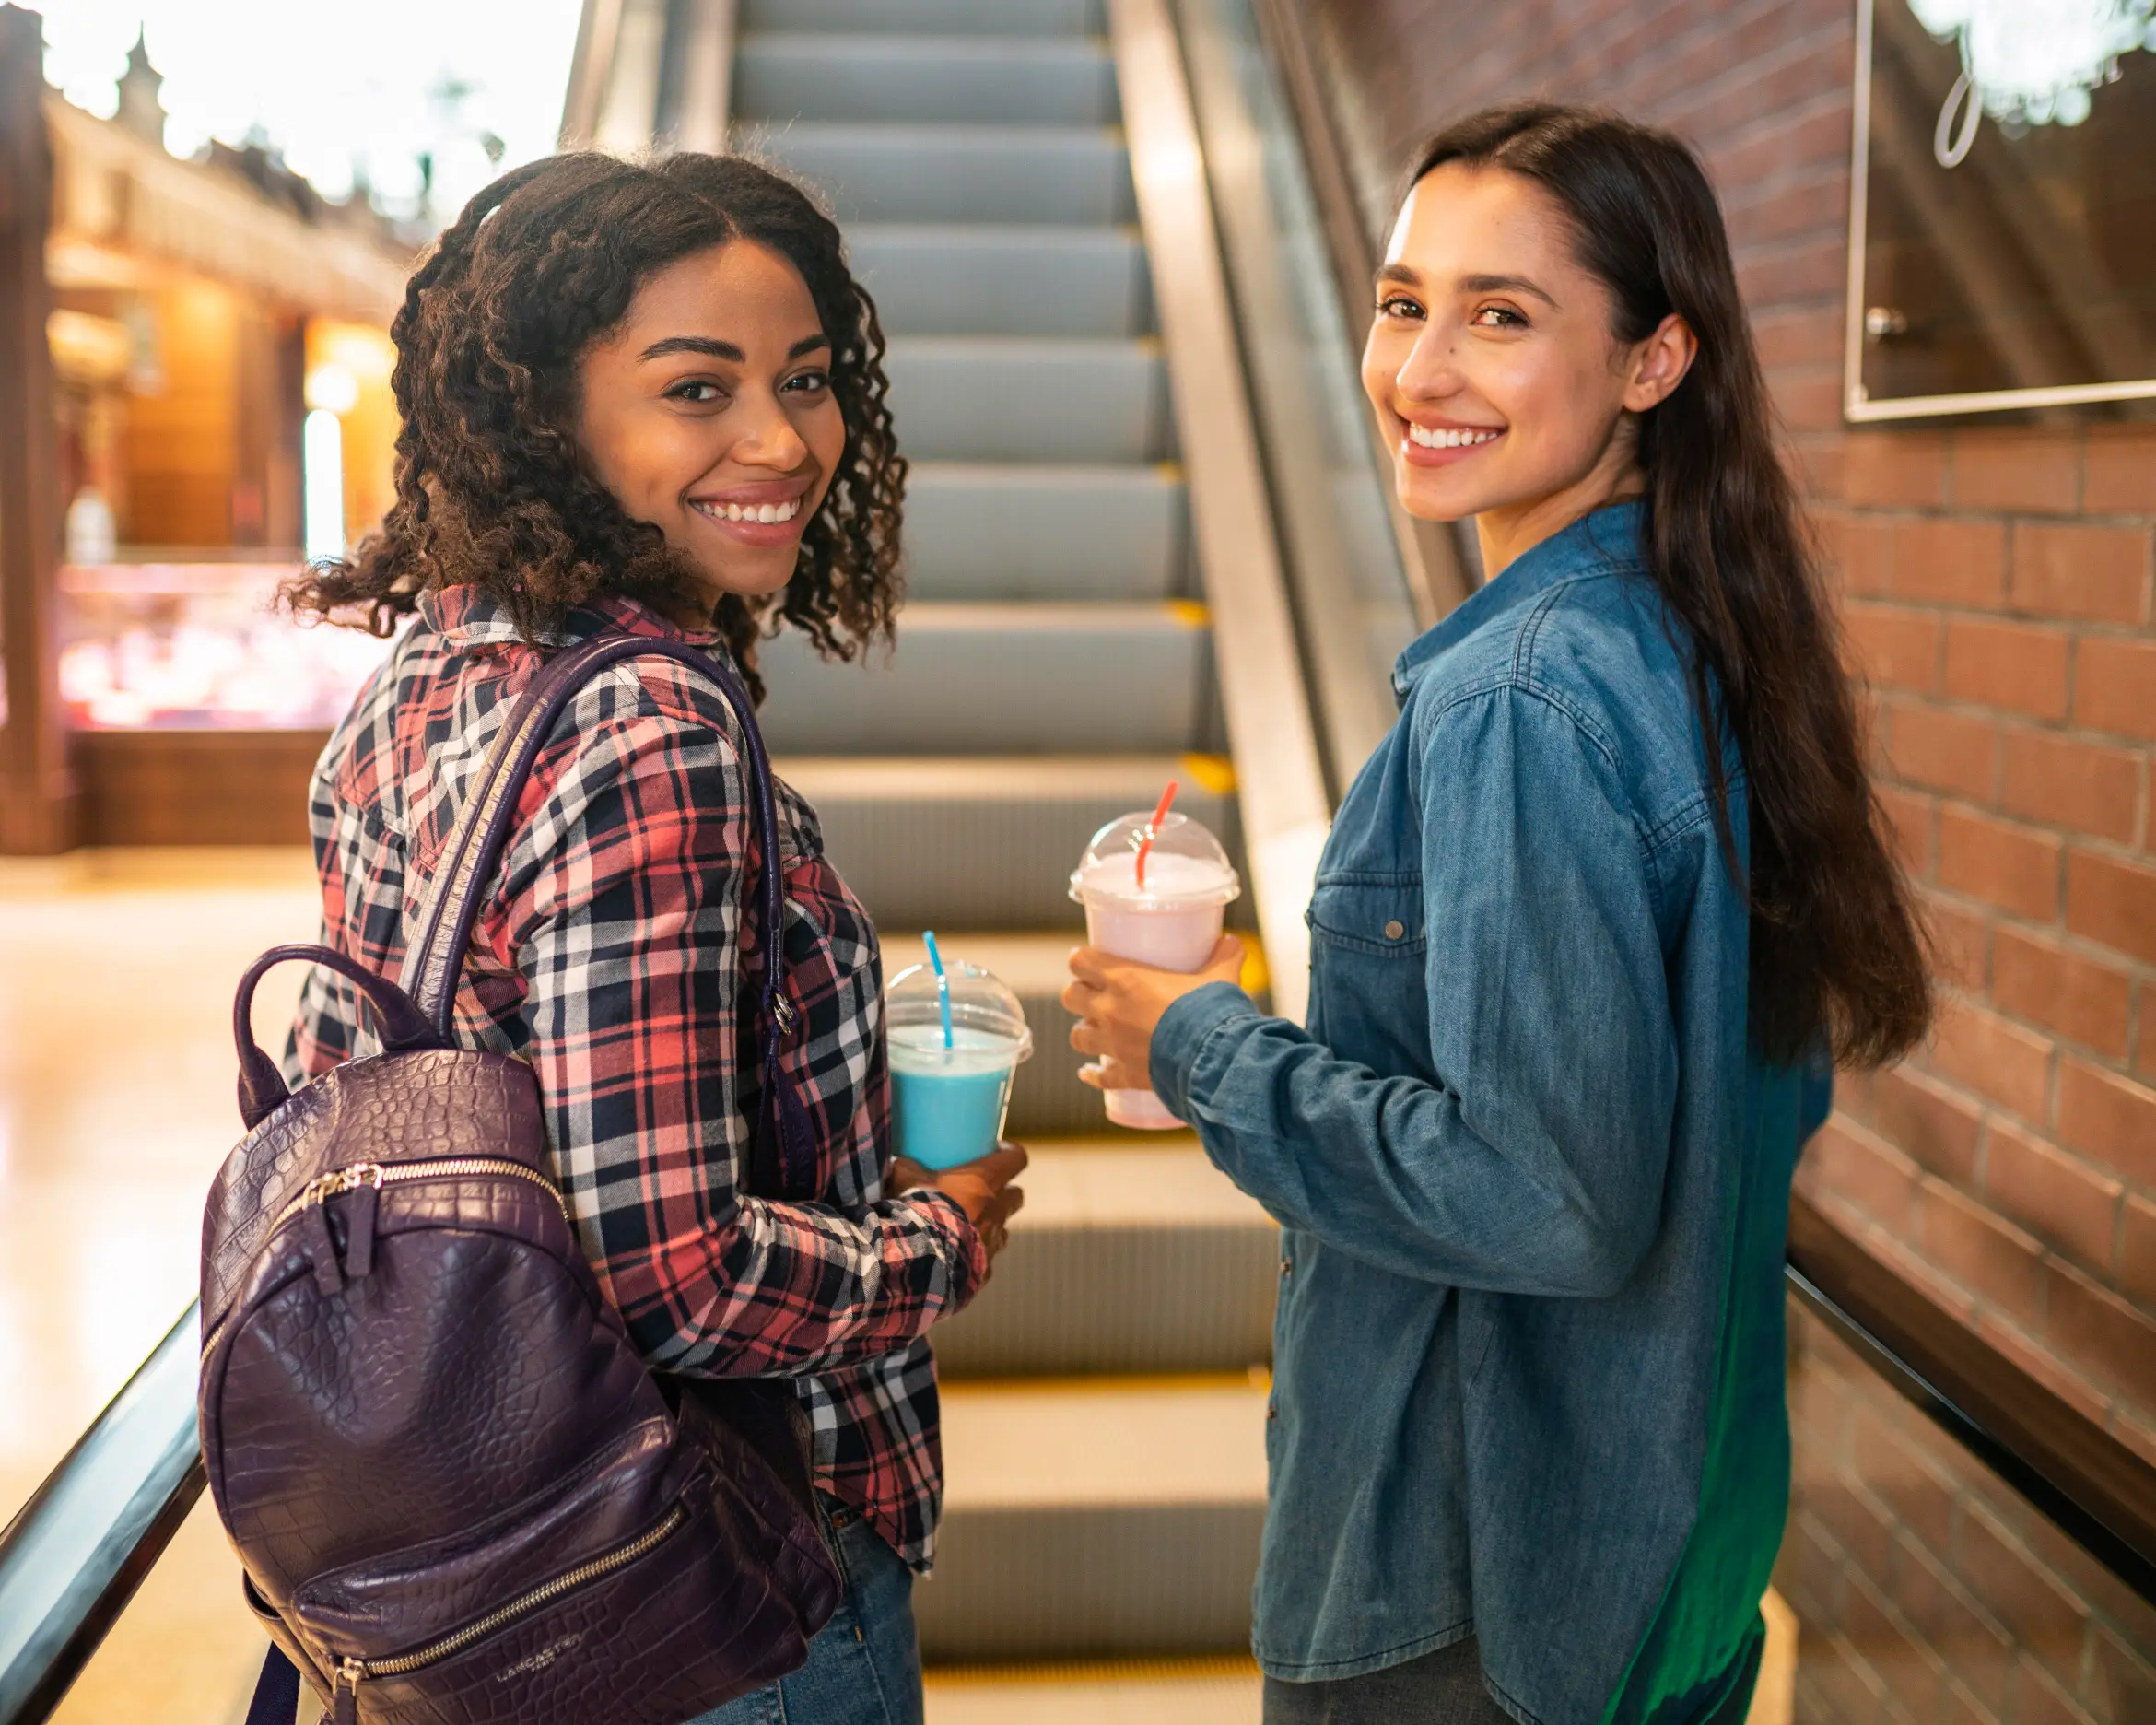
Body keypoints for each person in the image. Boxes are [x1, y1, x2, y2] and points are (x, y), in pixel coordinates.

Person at [1064, 104, 1930, 1724]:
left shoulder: (1521, 694)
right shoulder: (1700, 637)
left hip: (1471, 1598)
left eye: (1502, 317)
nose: (1422, 370)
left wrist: (1201, 1045)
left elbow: (1547, 1199)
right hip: (1673, 1564)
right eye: (1406, 304)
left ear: (1655, 361)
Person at [283, 151, 1025, 1725]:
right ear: (552, 414)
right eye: (700, 389)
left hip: (481, 1558)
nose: (782, 440)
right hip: (710, 1588)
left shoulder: (420, 684)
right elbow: (673, 1277)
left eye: (809, 380)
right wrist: (939, 1234)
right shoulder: (646, 721)